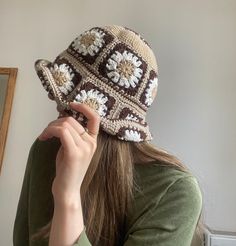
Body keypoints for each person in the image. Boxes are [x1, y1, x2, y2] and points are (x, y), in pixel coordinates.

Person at [13, 25, 203, 246]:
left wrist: (68, 198)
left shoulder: (174, 193)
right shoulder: (46, 149)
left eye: (67, 100)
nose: (57, 106)